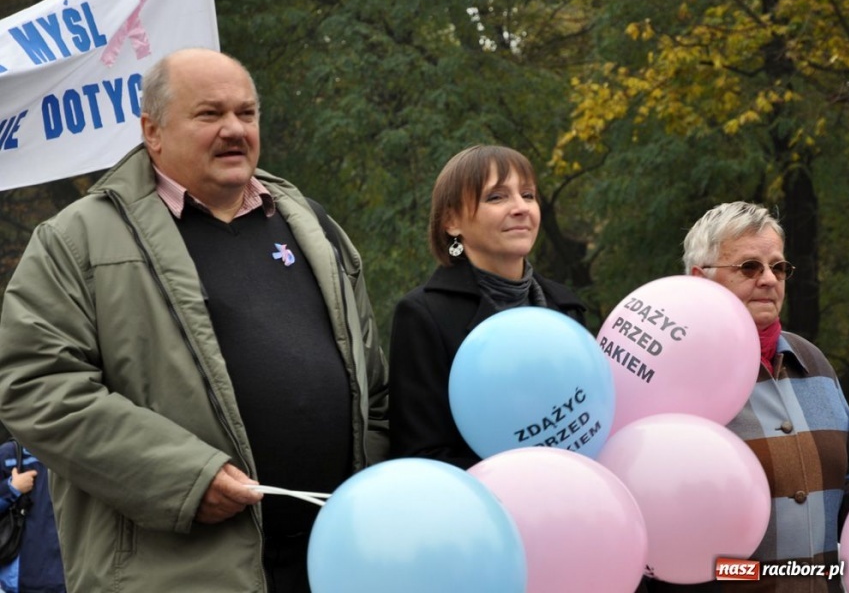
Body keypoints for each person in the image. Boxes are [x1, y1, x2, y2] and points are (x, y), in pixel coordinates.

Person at [0, 48, 389, 593]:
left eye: (246, 113)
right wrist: (184, 479)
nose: (234, 129)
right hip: (177, 573)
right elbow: (36, 386)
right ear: (152, 131)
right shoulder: (75, 240)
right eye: (210, 114)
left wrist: (373, 488)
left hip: (336, 561)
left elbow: (373, 388)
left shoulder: (313, 225)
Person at [645, 201, 849, 592]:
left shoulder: (814, 361)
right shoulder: (670, 379)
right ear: (701, 278)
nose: (769, 279)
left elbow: (843, 483)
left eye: (779, 267)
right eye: (749, 267)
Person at [388, 144, 587, 470]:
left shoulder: (566, 308)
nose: (521, 208)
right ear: (451, 221)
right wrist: (519, 477)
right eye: (497, 197)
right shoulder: (423, 315)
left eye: (528, 195)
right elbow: (421, 458)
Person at [0, 440, 65, 593]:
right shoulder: (8, 454)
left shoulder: (70, 453)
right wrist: (11, 488)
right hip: (20, 580)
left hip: (65, 577)